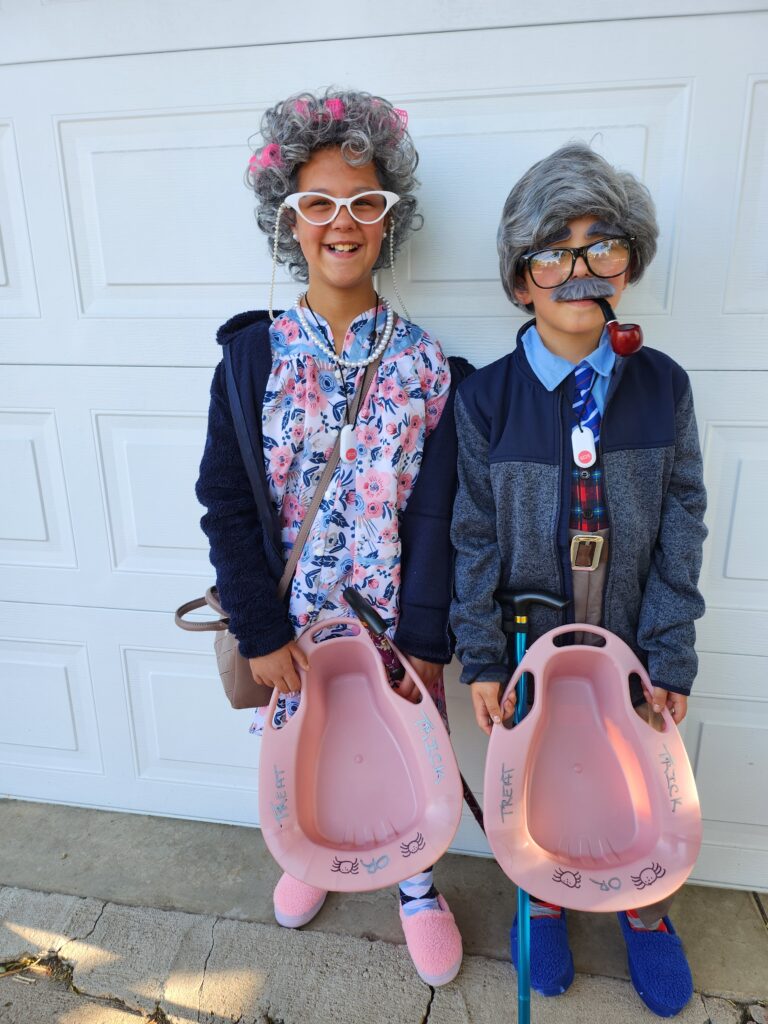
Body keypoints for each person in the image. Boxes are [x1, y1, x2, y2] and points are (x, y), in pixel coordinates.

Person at [196, 89, 468, 988]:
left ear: (390, 220)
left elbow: (438, 517)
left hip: (394, 629)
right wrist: (260, 630)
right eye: (318, 203)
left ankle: (417, 881)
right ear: (289, 219)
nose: (340, 223)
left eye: (363, 203)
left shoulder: (430, 366)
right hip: (295, 636)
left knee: (400, 755)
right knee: (309, 752)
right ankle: (311, 853)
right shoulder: (252, 357)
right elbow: (227, 502)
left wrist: (428, 639)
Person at [450, 142, 707, 1017]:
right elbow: (473, 535)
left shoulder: (663, 387)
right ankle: (546, 895)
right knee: (543, 770)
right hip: (530, 641)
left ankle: (644, 909)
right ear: (521, 279)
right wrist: (482, 658)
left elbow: (683, 520)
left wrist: (671, 650)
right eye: (552, 252)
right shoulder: (484, 400)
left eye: (602, 248)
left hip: (634, 630)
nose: (579, 270)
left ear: (629, 265)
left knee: (634, 770)